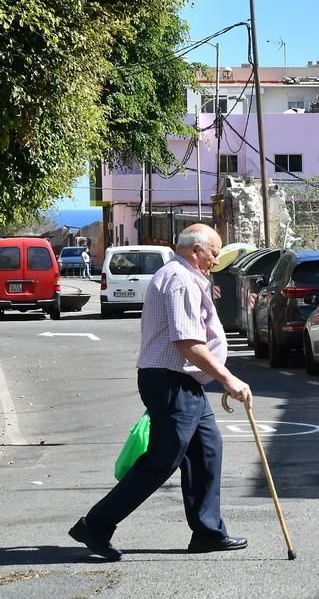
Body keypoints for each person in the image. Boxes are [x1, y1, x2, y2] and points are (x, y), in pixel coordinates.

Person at [69, 224, 252, 562]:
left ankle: (207, 532)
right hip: (170, 381)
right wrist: (228, 379)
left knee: (207, 450)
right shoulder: (180, 280)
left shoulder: (186, 276)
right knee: (162, 461)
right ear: (196, 250)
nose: (216, 259)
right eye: (214, 252)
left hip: (184, 383)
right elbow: (187, 343)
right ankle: (95, 524)